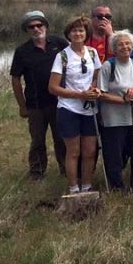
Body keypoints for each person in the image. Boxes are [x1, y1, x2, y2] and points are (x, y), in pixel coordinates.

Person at [10, 10, 69, 180]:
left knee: (62, 138)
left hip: (60, 101)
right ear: (27, 30)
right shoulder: (22, 51)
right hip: (35, 104)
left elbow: (74, 62)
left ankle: (66, 169)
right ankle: (37, 173)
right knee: (37, 140)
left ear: (46, 26)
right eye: (31, 27)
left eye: (39, 25)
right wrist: (22, 106)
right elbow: (15, 79)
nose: (36, 29)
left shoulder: (59, 43)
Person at [47, 16, 102, 194]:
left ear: (86, 33)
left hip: (90, 110)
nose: (77, 33)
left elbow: (97, 76)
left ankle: (87, 186)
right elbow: (53, 87)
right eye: (74, 31)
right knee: (73, 152)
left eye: (81, 30)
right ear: (68, 34)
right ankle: (73, 188)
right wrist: (80, 95)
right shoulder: (62, 56)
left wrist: (95, 89)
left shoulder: (92, 53)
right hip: (69, 109)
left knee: (90, 151)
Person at [98, 30, 133, 193]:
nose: (125, 47)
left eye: (128, 43)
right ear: (114, 48)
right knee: (115, 155)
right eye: (120, 44)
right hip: (114, 120)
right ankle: (116, 187)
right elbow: (101, 94)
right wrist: (123, 100)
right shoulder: (108, 66)